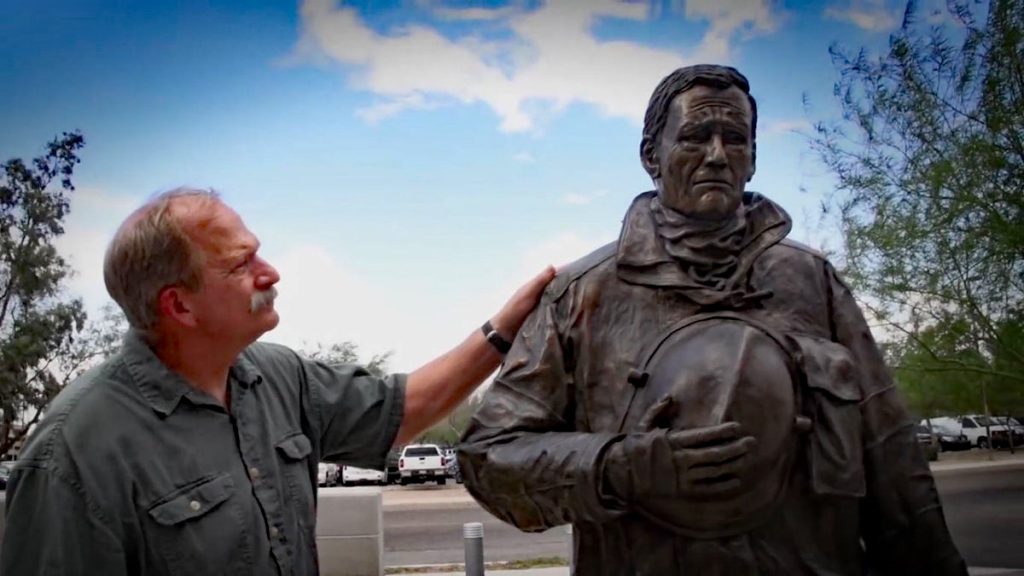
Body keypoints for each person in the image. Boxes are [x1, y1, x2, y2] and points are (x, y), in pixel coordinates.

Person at [458, 64, 967, 575]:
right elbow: (489, 457)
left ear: (752, 158)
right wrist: (622, 466)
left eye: (735, 139)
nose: (718, 156)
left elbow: (892, 463)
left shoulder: (811, 281)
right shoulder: (582, 295)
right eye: (697, 136)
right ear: (650, 156)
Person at [0, 188, 555, 575]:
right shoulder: (73, 454)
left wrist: (503, 329)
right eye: (241, 265)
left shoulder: (277, 376)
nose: (270, 272)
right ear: (179, 306)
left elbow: (406, 407)